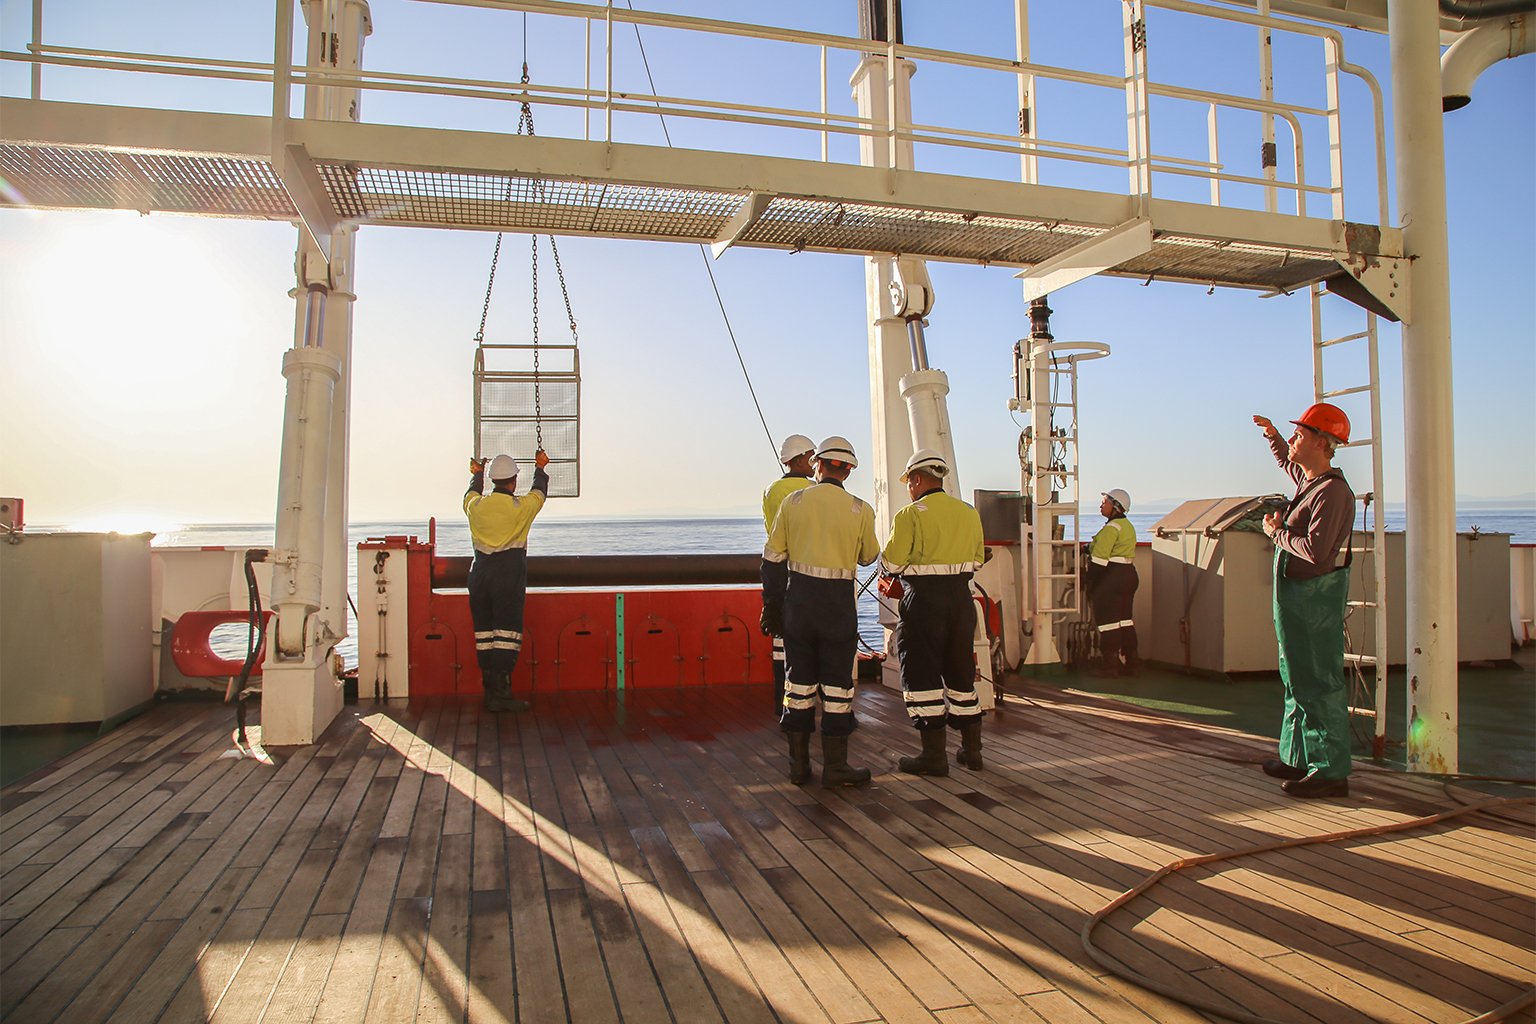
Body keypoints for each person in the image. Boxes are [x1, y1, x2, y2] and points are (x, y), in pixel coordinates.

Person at [761, 435, 880, 787]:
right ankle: (836, 768)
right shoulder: (861, 509)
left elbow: (772, 558)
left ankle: (798, 767)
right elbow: (868, 556)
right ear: (848, 470)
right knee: (838, 687)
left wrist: (773, 605)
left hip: (799, 604)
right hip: (838, 608)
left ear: (818, 464)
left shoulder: (793, 502)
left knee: (797, 685)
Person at [1253, 403, 1355, 799]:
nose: (1293, 441)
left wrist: (1275, 533)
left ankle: (1330, 771)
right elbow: (1289, 464)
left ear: (1321, 443)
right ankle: (1298, 756)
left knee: (1317, 681)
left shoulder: (1331, 493)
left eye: (1298, 435)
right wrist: (1272, 436)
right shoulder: (1312, 482)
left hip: (1313, 600)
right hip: (1296, 598)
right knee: (1296, 678)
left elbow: (1315, 551)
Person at [877, 449, 987, 775]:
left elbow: (892, 563)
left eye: (909, 482)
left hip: (923, 604)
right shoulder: (968, 513)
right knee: (961, 674)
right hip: (961, 602)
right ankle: (972, 751)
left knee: (922, 676)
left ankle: (933, 757)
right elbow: (978, 560)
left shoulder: (910, 515)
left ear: (916, 479)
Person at [464, 449, 551, 713]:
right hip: (507, 577)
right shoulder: (521, 508)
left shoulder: (475, 507)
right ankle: (501, 695)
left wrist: (476, 474)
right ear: (513, 481)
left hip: (479, 577)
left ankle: (490, 691)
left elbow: (470, 494)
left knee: (485, 635)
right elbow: (539, 493)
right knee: (506, 634)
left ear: (492, 480)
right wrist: (540, 467)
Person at [760, 434, 816, 713]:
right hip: (811, 573)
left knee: (782, 644)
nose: (815, 462)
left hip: (779, 570)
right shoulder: (814, 490)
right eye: (811, 457)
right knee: (813, 641)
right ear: (799, 459)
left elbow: (771, 530)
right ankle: (813, 706)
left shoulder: (771, 490)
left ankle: (782, 705)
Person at [1084, 488, 1140, 677]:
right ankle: (1131, 664)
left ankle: (1110, 667)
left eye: (1105, 502)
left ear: (1115, 506)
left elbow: (1099, 561)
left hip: (1112, 577)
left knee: (1108, 623)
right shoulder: (1128, 526)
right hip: (1129, 575)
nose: (1101, 505)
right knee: (1125, 621)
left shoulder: (1111, 528)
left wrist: (1089, 582)